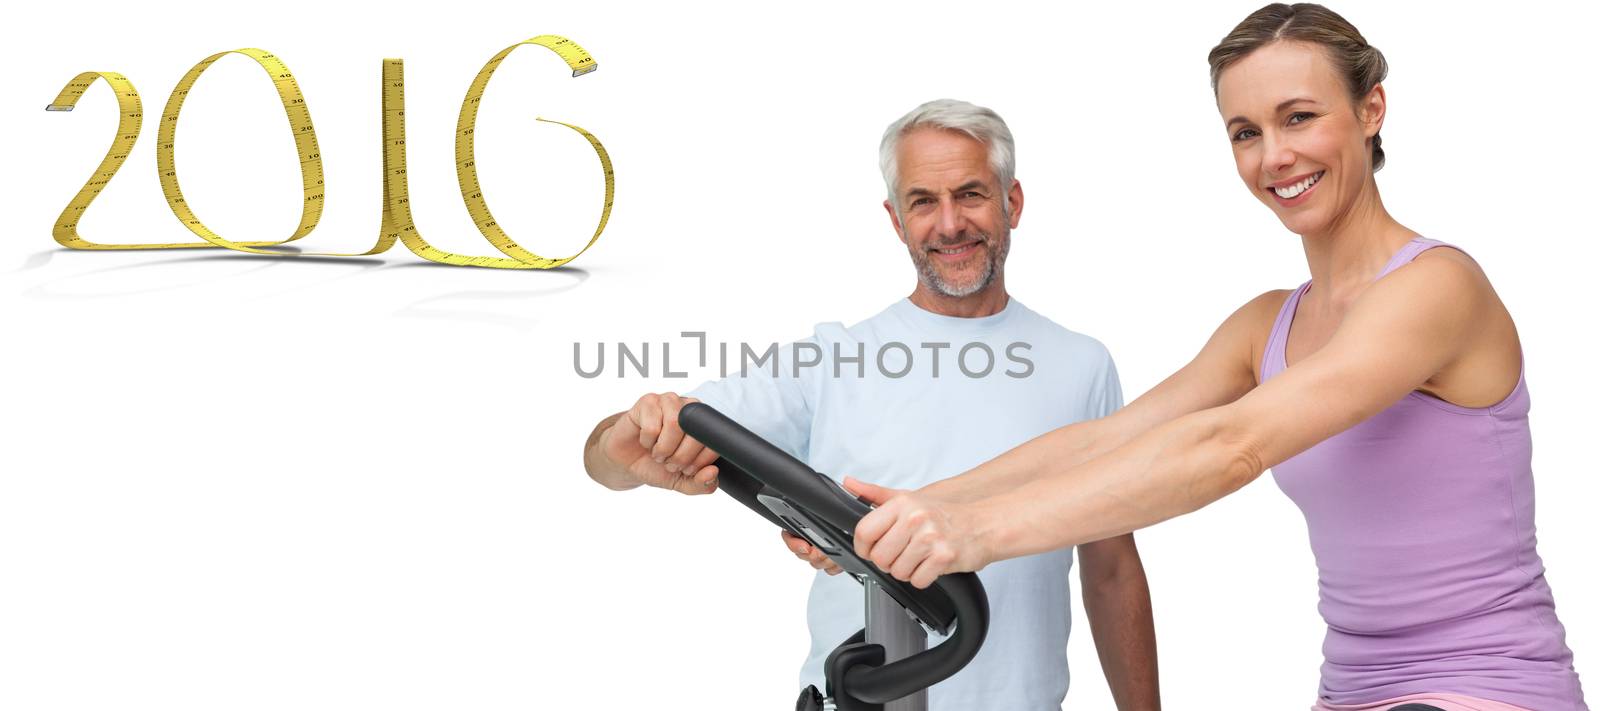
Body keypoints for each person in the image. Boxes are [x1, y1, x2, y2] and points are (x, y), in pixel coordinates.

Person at [834, 5, 1587, 711]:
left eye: (1299, 117)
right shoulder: (1268, 325)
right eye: (1245, 132)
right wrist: (915, 508)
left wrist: (980, 533)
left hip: (1488, 683)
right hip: (1353, 686)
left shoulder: (1436, 288)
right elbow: (1109, 440)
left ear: (1371, 110)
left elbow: (1232, 445)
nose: (1275, 155)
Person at [581, 99, 1161, 709]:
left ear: (1011, 202)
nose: (949, 224)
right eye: (922, 202)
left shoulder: (1081, 364)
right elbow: (612, 456)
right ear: (895, 219)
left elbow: (1112, 569)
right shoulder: (833, 358)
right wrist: (624, 442)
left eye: (969, 194)